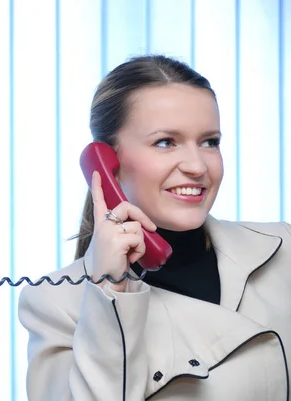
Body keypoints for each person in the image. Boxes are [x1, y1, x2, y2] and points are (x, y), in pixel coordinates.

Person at [18, 55, 291, 400]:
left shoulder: (282, 247)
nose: (197, 166)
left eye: (210, 141)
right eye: (166, 142)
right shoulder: (56, 303)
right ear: (107, 163)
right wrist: (110, 295)